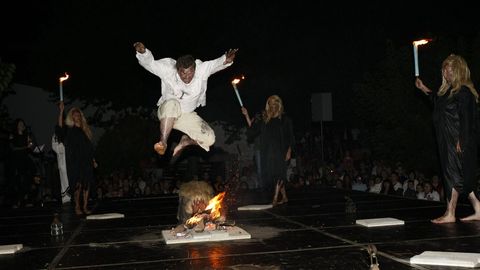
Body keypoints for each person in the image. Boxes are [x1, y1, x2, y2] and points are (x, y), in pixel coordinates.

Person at [134, 42, 238, 159]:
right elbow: (150, 64)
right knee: (172, 104)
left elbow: (215, 64)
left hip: (186, 115)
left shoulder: (201, 70)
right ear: (178, 70)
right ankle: (163, 142)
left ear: (194, 69)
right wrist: (143, 53)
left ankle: (185, 141)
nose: (187, 77)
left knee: (209, 139)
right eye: (183, 73)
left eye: (190, 73)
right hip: (167, 112)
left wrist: (226, 60)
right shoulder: (168, 69)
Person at [415, 54, 480, 223]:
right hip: (446, 141)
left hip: (456, 141)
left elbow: (467, 118)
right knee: (461, 178)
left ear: (459, 71)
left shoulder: (463, 92)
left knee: (452, 176)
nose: (447, 71)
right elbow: (436, 100)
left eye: (451, 69)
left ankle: (450, 213)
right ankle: (479, 209)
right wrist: (423, 88)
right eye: (445, 68)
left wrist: (462, 140)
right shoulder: (447, 93)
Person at [242, 95, 295, 206]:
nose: (272, 105)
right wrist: (247, 115)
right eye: (270, 103)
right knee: (274, 174)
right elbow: (253, 129)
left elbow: (290, 137)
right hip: (268, 152)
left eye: (275, 103)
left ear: (279, 104)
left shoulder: (285, 120)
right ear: (268, 105)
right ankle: (284, 196)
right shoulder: (265, 118)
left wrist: (289, 151)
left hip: (281, 151)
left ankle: (275, 198)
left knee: (280, 173)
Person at [55, 102, 97, 215]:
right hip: (75, 161)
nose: (76, 116)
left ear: (81, 116)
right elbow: (60, 129)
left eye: (78, 115)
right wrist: (61, 111)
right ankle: (77, 206)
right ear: (71, 117)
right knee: (78, 184)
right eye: (74, 115)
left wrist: (93, 160)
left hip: (86, 160)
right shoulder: (69, 130)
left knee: (87, 184)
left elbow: (89, 147)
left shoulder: (86, 130)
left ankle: (85, 206)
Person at [8, 118, 35, 208]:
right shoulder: (12, 135)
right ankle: (17, 200)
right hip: (16, 160)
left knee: (30, 174)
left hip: (25, 159)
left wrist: (31, 144)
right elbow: (13, 148)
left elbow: (30, 147)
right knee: (18, 180)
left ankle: (26, 197)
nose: (21, 125)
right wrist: (25, 147)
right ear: (16, 125)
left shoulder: (26, 135)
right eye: (20, 124)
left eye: (22, 124)